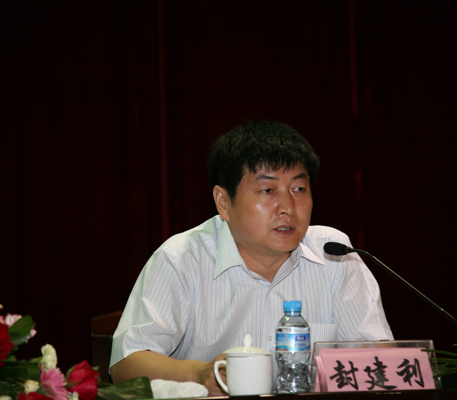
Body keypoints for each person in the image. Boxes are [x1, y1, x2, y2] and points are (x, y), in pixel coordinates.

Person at [109, 121, 393, 395]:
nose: (288, 207)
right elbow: (126, 364)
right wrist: (200, 374)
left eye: (298, 189)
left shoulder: (335, 254)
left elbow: (382, 361)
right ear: (223, 202)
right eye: (268, 190)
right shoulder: (182, 258)